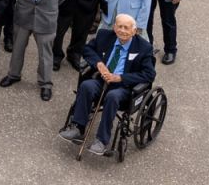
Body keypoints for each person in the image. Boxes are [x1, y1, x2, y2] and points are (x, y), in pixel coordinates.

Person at [59, 14, 156, 157]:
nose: (122, 30)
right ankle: (78, 128)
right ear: (114, 27)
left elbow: (149, 74)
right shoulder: (104, 35)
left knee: (112, 96)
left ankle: (101, 141)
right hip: (102, 80)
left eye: (126, 28)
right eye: (119, 26)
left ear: (134, 31)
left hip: (123, 88)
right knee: (86, 86)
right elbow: (87, 50)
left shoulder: (144, 47)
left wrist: (120, 77)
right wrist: (98, 63)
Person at [1, 0, 69, 101]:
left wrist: (47, 7)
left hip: (46, 18)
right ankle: (14, 74)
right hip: (23, 14)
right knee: (17, 47)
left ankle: (45, 84)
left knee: (46, 53)